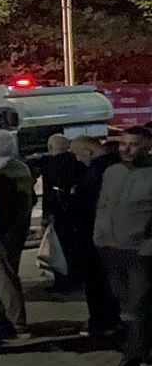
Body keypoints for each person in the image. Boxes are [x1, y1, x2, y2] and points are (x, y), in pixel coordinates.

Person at [93, 126, 152, 366]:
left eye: (134, 144)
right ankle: (143, 347)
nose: (126, 149)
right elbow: (103, 205)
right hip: (110, 249)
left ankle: (132, 359)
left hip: (141, 252)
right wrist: (99, 237)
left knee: (140, 306)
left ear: (147, 147)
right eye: (124, 143)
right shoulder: (112, 172)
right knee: (126, 304)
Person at [68, 136, 123, 336]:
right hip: (107, 234)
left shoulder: (96, 173)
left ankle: (102, 323)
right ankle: (110, 320)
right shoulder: (113, 168)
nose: (75, 158)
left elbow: (89, 205)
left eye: (75, 154)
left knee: (97, 282)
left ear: (87, 152)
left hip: (94, 235)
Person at [0, 129, 33, 337]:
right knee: (9, 273)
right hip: (19, 228)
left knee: (4, 277)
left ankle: (16, 322)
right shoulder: (22, 168)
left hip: (3, 231)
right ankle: (7, 318)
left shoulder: (0, 174)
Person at [39, 134, 87, 289]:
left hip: (58, 212)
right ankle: (77, 278)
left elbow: (48, 193)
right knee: (76, 247)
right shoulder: (78, 163)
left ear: (50, 147)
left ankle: (63, 281)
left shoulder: (50, 165)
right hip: (77, 211)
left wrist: (46, 216)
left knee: (59, 248)